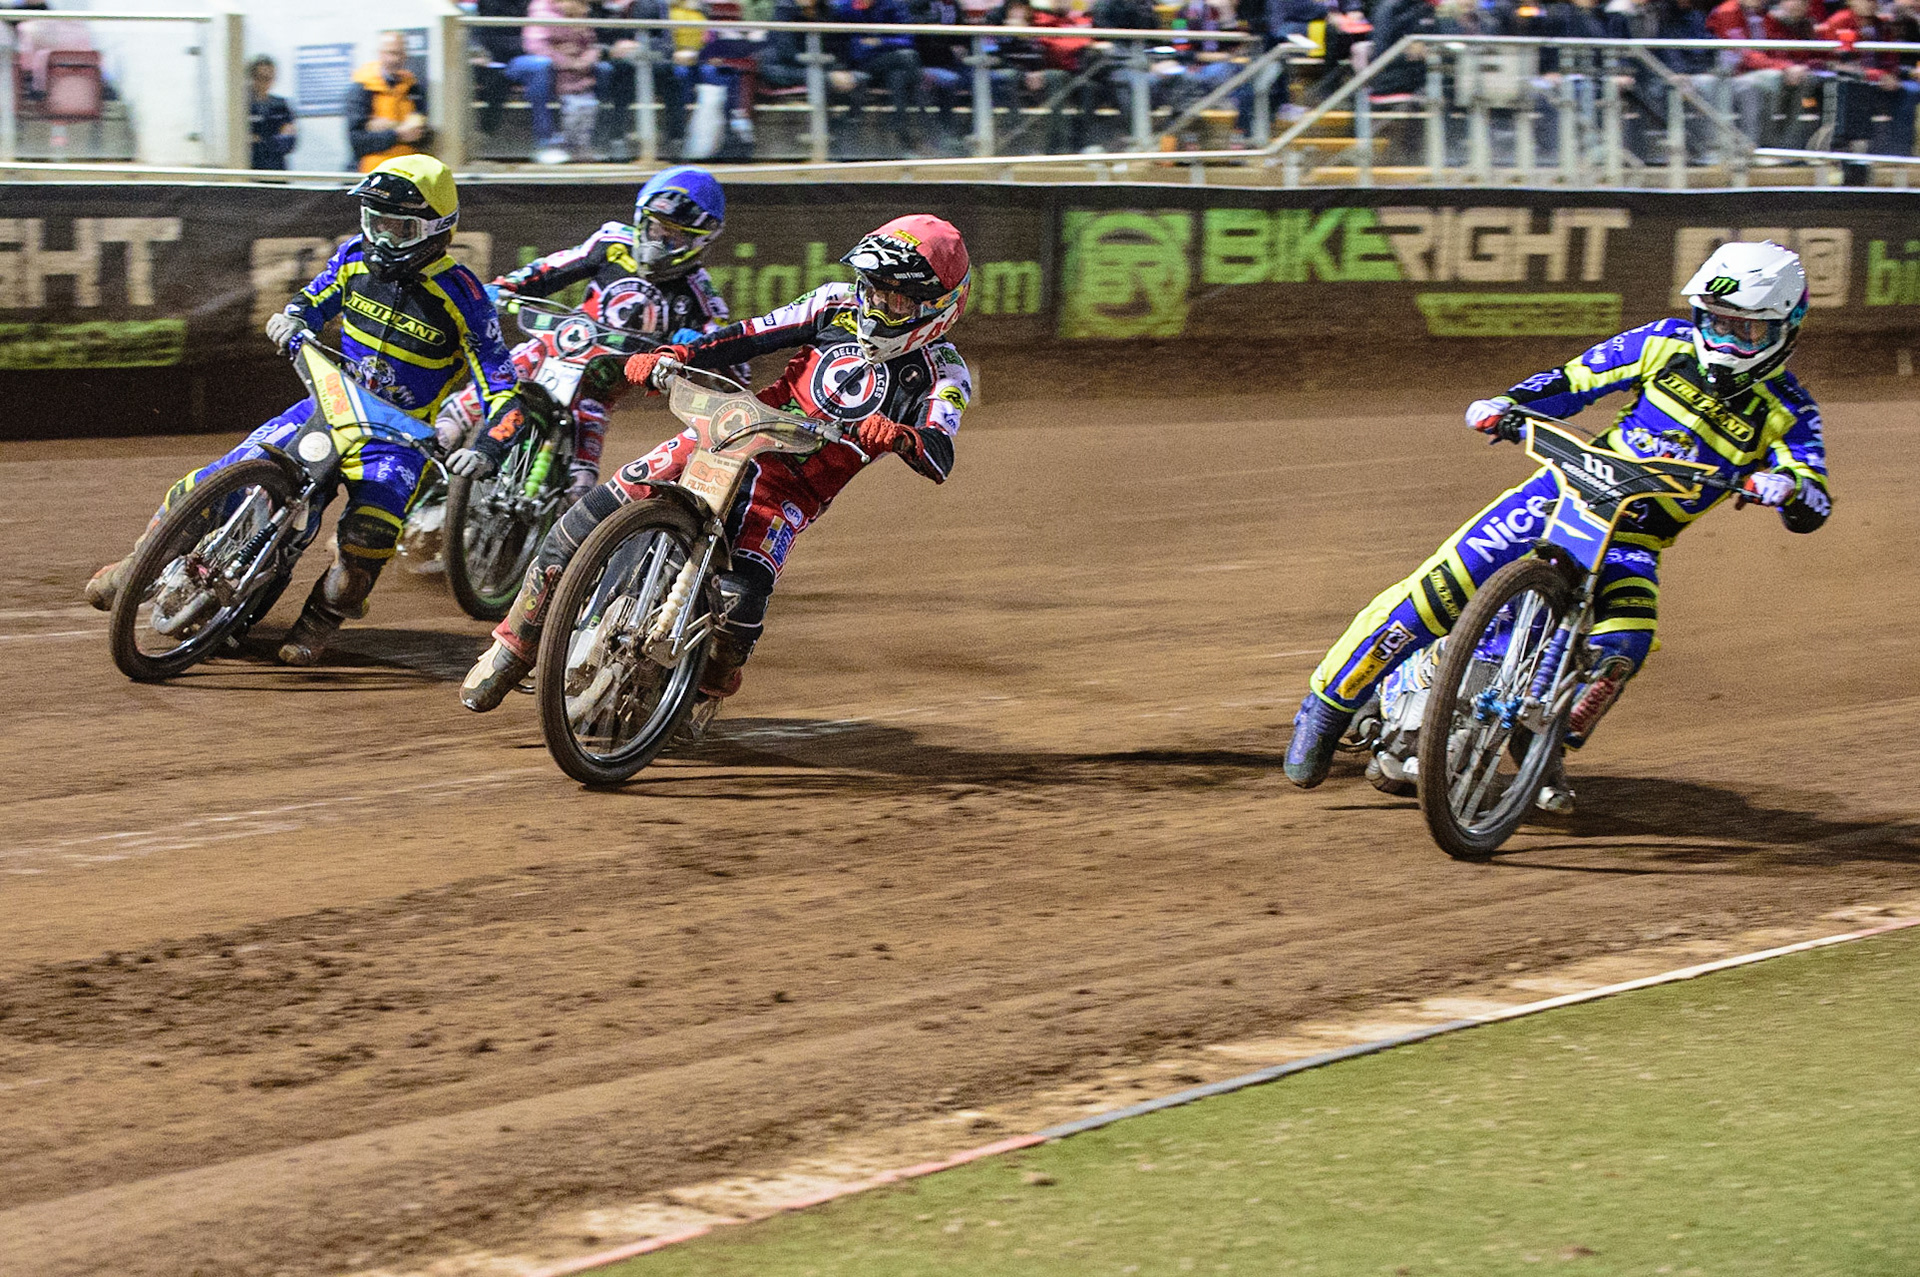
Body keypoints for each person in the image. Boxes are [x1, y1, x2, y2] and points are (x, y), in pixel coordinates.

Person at [1283, 241, 1831, 813]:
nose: (1726, 342)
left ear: (1786, 327)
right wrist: (1507, 403)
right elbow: (1573, 381)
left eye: (1746, 332)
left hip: (1634, 540)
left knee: (1624, 646)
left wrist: (1788, 488)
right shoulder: (1663, 343)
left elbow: (1813, 495)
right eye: (1717, 323)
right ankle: (1326, 709)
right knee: (1436, 593)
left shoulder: (1789, 409)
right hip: (1561, 494)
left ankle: (1541, 741)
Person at [457, 214, 974, 744]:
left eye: (896, 298)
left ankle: (704, 690)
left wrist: (902, 438)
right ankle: (511, 648)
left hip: (789, 490)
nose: (876, 304)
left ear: (937, 305)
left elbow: (939, 453)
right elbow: (744, 339)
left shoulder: (943, 373)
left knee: (739, 605)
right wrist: (671, 356)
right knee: (585, 517)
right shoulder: (832, 304)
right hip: (729, 433)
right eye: (873, 288)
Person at [85, 157, 523, 667]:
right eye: (372, 220)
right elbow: (312, 300)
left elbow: (504, 389)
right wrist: (292, 319)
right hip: (330, 400)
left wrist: (489, 447)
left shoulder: (464, 297)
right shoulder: (354, 257)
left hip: (397, 438)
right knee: (211, 479)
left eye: (395, 226)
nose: (380, 237)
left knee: (368, 538)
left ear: (435, 229)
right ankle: (138, 565)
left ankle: (321, 619)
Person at [434, 167, 734, 501]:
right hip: (556, 347)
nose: (658, 242)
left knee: (580, 486)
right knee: (488, 388)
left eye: (673, 236)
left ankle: (543, 549)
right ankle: (431, 462)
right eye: (655, 227)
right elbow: (552, 268)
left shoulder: (700, 294)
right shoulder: (612, 243)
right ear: (641, 219)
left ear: (699, 241)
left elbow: (735, 362)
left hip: (600, 386)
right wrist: (503, 288)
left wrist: (702, 351)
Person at [347, 31, 432, 172]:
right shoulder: (361, 89)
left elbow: (424, 135)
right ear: (380, 54)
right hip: (371, 174)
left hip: (408, 172)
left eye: (399, 53)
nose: (394, 59)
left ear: (406, 55)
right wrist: (399, 134)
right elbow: (357, 141)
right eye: (390, 53)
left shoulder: (414, 88)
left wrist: (389, 125)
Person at [247, 54, 297, 171]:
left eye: (269, 78)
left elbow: (288, 143)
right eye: (260, 78)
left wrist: (259, 140)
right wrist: (272, 138)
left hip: (277, 170)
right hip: (251, 170)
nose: (265, 83)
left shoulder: (280, 105)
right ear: (252, 78)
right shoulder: (242, 107)